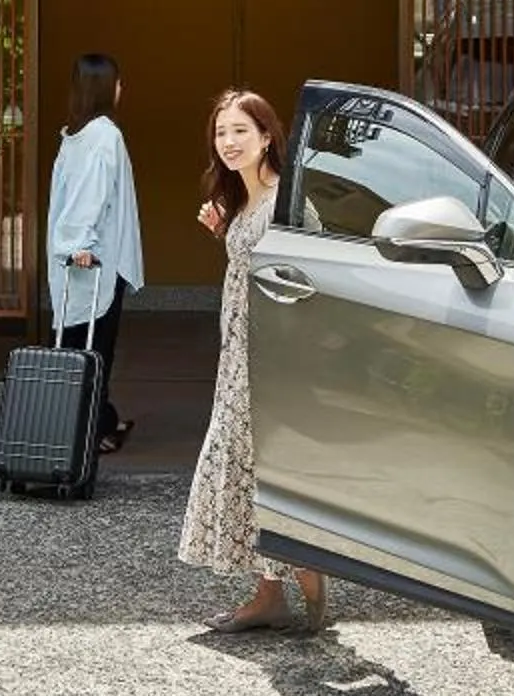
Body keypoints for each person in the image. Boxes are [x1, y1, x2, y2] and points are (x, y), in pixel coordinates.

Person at [179, 89, 329, 633]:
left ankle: (307, 571)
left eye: (241, 130)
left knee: (264, 464)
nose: (229, 142)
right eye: (221, 132)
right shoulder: (248, 203)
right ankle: (271, 593)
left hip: (269, 361)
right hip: (238, 355)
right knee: (244, 461)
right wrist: (227, 230)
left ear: (268, 135)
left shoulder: (286, 204)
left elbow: (303, 285)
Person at [45, 53, 143, 455]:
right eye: (117, 82)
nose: (122, 89)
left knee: (75, 344)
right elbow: (93, 194)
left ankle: (95, 420)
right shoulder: (104, 134)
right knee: (94, 347)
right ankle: (90, 430)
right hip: (96, 260)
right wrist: (80, 244)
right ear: (105, 87)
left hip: (80, 262)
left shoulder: (75, 133)